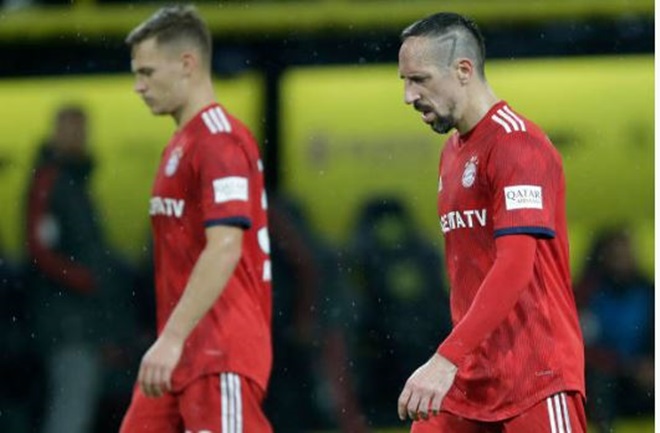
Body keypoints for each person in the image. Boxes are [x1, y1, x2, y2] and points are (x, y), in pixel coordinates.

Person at [396, 12, 586, 432]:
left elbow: (515, 266)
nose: (409, 96)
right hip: (472, 376)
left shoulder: (517, 144)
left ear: (463, 70)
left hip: (536, 377)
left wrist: (445, 358)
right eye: (405, 82)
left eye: (420, 80)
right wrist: (457, 357)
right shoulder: (452, 152)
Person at [120, 5, 273, 433]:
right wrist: (172, 340)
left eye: (147, 72)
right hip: (183, 350)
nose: (138, 86)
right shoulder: (182, 142)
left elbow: (225, 246)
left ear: (187, 63)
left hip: (219, 350)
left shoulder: (218, 141)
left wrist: (171, 337)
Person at [25, 104, 138, 433]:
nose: (77, 138)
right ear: (55, 134)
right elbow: (40, 250)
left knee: (76, 408)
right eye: (70, 130)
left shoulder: (72, 181)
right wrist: (89, 281)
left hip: (79, 319)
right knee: (71, 411)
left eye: (81, 130)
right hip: (67, 321)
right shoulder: (51, 180)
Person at [575, 228, 654, 433]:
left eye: (627, 253)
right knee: (600, 381)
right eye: (616, 254)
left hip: (642, 377)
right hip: (605, 376)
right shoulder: (586, 293)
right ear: (603, 256)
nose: (623, 260)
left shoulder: (648, 291)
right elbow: (580, 346)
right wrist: (623, 366)